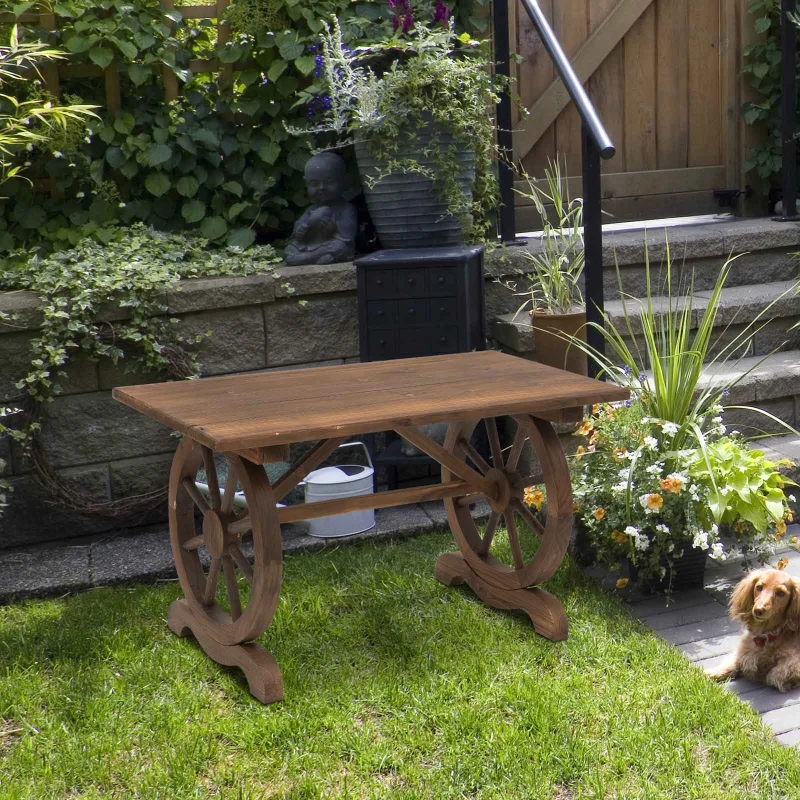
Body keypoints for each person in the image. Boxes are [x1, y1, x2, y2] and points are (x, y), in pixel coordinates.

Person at [284, 152, 357, 266]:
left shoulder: (346, 208)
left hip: (331, 245)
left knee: (341, 247)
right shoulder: (311, 209)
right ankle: (312, 256)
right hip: (311, 244)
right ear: (306, 183)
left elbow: (347, 236)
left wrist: (332, 228)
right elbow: (300, 228)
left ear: (345, 181)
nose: (322, 188)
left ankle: (306, 258)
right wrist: (300, 230)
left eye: (329, 182)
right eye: (314, 184)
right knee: (290, 249)